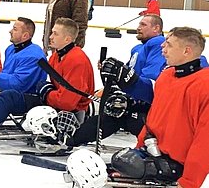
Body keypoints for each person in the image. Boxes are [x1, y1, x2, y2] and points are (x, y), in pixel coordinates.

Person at [107, 27, 209, 188]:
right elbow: (154, 120)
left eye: (169, 45)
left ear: (187, 51)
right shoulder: (167, 76)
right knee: (121, 161)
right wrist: (139, 148)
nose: (162, 48)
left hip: (179, 166)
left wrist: (189, 184)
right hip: (155, 153)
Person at [0, 18, 94, 135]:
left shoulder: (77, 60)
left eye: (55, 34)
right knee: (8, 96)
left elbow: (67, 103)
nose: (50, 36)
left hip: (68, 112)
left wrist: (47, 93)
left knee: (9, 97)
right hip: (54, 102)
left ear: (67, 39)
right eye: (52, 32)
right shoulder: (56, 55)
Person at [68, 15, 166, 146]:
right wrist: (111, 71)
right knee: (110, 116)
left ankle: (72, 139)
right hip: (132, 100)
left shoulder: (157, 43)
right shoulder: (137, 48)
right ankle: (73, 138)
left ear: (156, 28)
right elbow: (127, 72)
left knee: (117, 117)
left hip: (143, 105)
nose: (138, 28)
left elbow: (149, 79)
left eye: (143, 25)